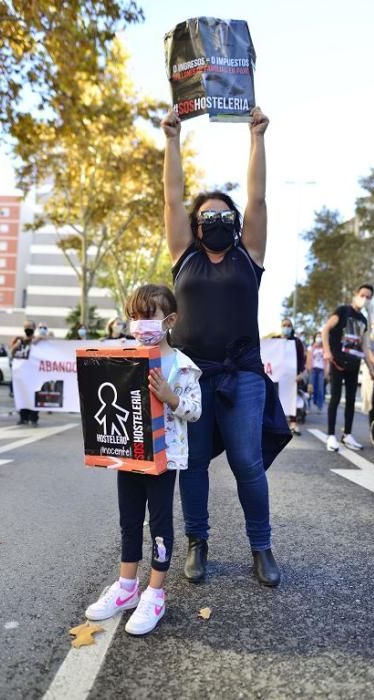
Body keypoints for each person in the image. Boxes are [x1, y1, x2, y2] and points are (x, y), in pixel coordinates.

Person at [161, 106, 291, 587]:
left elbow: (257, 198)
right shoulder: (184, 256)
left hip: (243, 376)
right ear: (196, 225)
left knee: (246, 462)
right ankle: (198, 543)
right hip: (191, 379)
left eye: (223, 213)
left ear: (234, 223)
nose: (214, 218)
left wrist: (257, 137)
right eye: (206, 214)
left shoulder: (248, 255)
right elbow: (172, 199)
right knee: (192, 464)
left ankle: (262, 546)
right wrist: (172, 139)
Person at [85, 284, 201, 635]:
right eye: (134, 316)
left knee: (160, 524)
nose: (139, 324)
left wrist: (170, 398)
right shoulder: (125, 359)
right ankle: (125, 588)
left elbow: (195, 411)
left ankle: (154, 592)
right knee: (129, 520)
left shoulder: (182, 365)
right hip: (131, 456)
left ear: (170, 319)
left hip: (164, 459)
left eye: (147, 316)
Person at [321, 284, 374, 452]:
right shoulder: (343, 311)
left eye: (368, 297)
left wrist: (371, 370)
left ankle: (347, 435)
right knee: (336, 397)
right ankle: (331, 436)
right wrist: (327, 351)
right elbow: (325, 329)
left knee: (352, 400)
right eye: (362, 295)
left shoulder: (363, 321)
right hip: (337, 361)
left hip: (354, 363)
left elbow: (365, 347)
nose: (364, 299)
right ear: (356, 294)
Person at [10, 320, 40, 426]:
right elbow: (12, 351)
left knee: (34, 396)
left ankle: (34, 417)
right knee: (22, 395)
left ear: (34, 328)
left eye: (29, 327)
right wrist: (17, 343)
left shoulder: (38, 341)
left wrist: (37, 338)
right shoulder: (20, 341)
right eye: (25, 327)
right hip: (21, 375)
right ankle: (23, 417)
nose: (27, 329)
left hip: (34, 374)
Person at [280, 318, 306, 434]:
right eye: (284, 325)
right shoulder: (275, 340)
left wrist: (301, 373)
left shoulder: (297, 342)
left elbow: (301, 359)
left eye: (289, 325)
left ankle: (293, 423)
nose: (286, 327)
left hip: (292, 376)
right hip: (278, 376)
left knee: (292, 400)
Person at [306, 332, 327, 412]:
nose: (319, 338)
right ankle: (308, 406)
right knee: (310, 389)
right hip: (313, 370)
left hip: (321, 370)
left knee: (320, 389)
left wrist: (326, 372)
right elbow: (308, 359)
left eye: (320, 336)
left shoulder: (324, 348)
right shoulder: (310, 348)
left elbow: (327, 361)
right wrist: (308, 369)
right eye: (318, 336)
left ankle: (319, 407)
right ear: (315, 338)